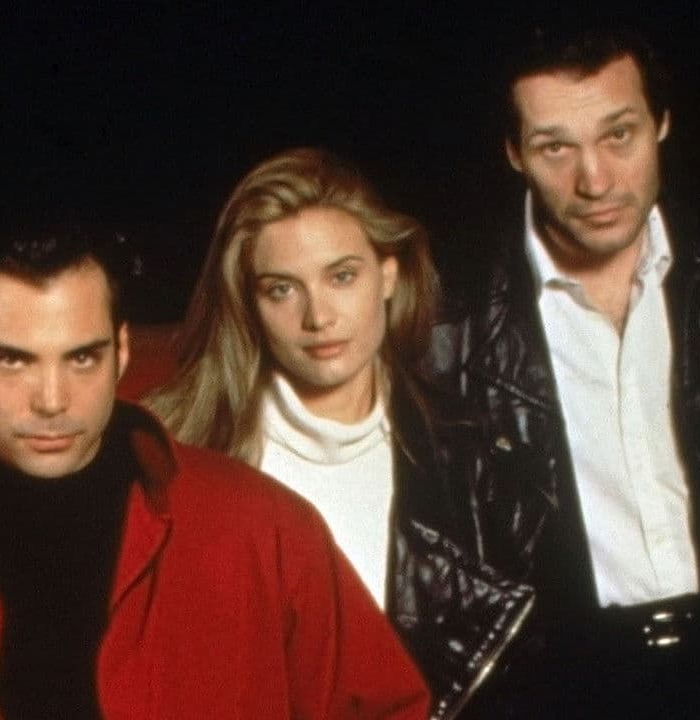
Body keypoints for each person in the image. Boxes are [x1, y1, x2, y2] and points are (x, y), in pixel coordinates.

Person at [0, 225, 431, 719]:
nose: (52, 400)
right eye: (12, 361)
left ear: (122, 350)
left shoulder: (262, 532)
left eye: (82, 357)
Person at [425, 21, 700, 719]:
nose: (594, 180)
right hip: (562, 687)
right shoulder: (450, 324)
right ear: (514, 153)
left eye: (618, 135)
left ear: (662, 123)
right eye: (555, 147)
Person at [145, 148, 533, 718]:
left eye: (342, 276)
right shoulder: (177, 459)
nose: (318, 317)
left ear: (388, 276)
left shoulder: (476, 458)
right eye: (282, 289)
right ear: (248, 303)